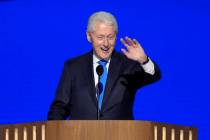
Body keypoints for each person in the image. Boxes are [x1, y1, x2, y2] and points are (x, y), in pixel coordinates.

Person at [48, 11, 161, 120]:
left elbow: (154, 76)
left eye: (110, 37)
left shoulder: (128, 65)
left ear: (116, 37)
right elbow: (59, 108)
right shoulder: (73, 67)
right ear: (89, 36)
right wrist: (54, 132)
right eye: (100, 37)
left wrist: (144, 60)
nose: (106, 43)